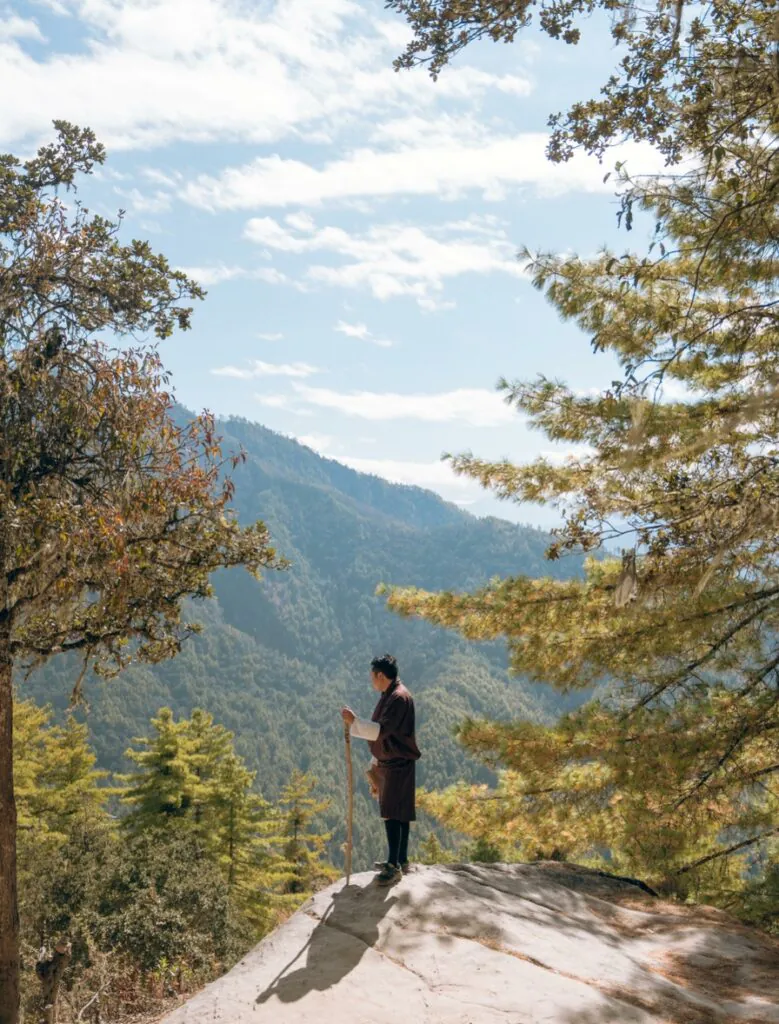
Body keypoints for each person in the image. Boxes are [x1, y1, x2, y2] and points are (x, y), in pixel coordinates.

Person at [341, 654, 421, 887]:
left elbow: (381, 731)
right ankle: (400, 859)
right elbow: (386, 734)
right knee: (400, 810)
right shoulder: (392, 694)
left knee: (392, 812)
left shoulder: (397, 698)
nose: (370, 680)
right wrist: (375, 761)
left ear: (381, 675)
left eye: (372, 676)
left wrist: (354, 721)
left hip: (397, 763)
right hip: (393, 761)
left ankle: (393, 865)